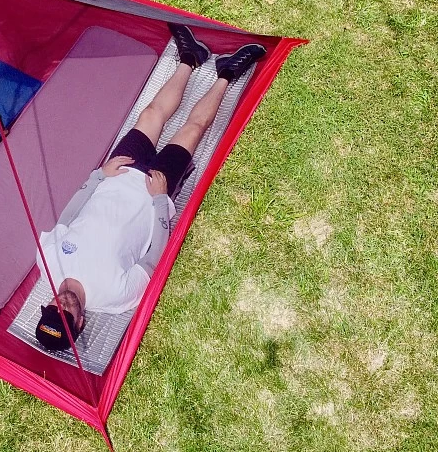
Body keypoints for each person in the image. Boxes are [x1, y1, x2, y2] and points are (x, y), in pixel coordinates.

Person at [34, 24, 267, 351]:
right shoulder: (115, 298)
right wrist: (159, 201)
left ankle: (190, 58)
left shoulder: (47, 264)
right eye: (65, 315)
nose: (61, 304)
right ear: (80, 323)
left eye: (52, 310)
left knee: (151, 114)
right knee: (193, 130)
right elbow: (153, 256)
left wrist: (98, 177)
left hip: (116, 175)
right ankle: (227, 74)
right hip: (153, 189)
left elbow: (67, 217)